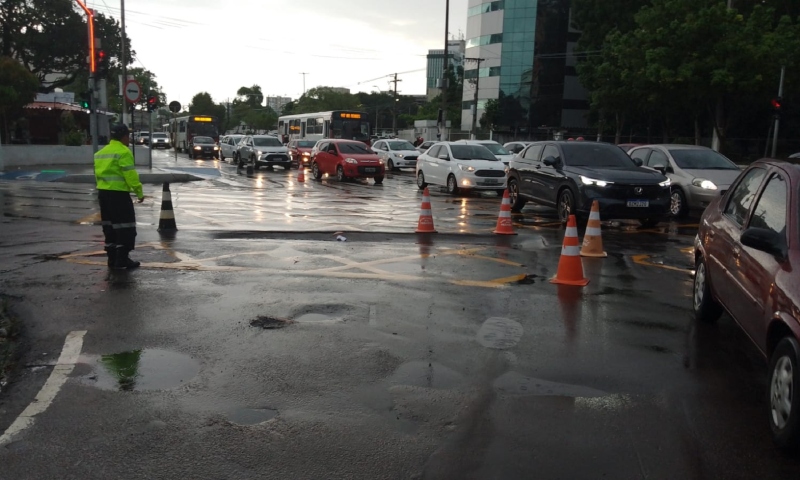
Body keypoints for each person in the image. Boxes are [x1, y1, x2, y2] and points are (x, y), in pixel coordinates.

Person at [94, 123, 144, 270]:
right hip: (119, 195)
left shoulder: (101, 153)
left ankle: (112, 259)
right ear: (124, 137)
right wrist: (139, 192)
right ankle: (122, 259)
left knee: (109, 227)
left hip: (103, 195)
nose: (129, 139)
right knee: (125, 227)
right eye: (128, 136)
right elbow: (130, 175)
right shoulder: (124, 152)